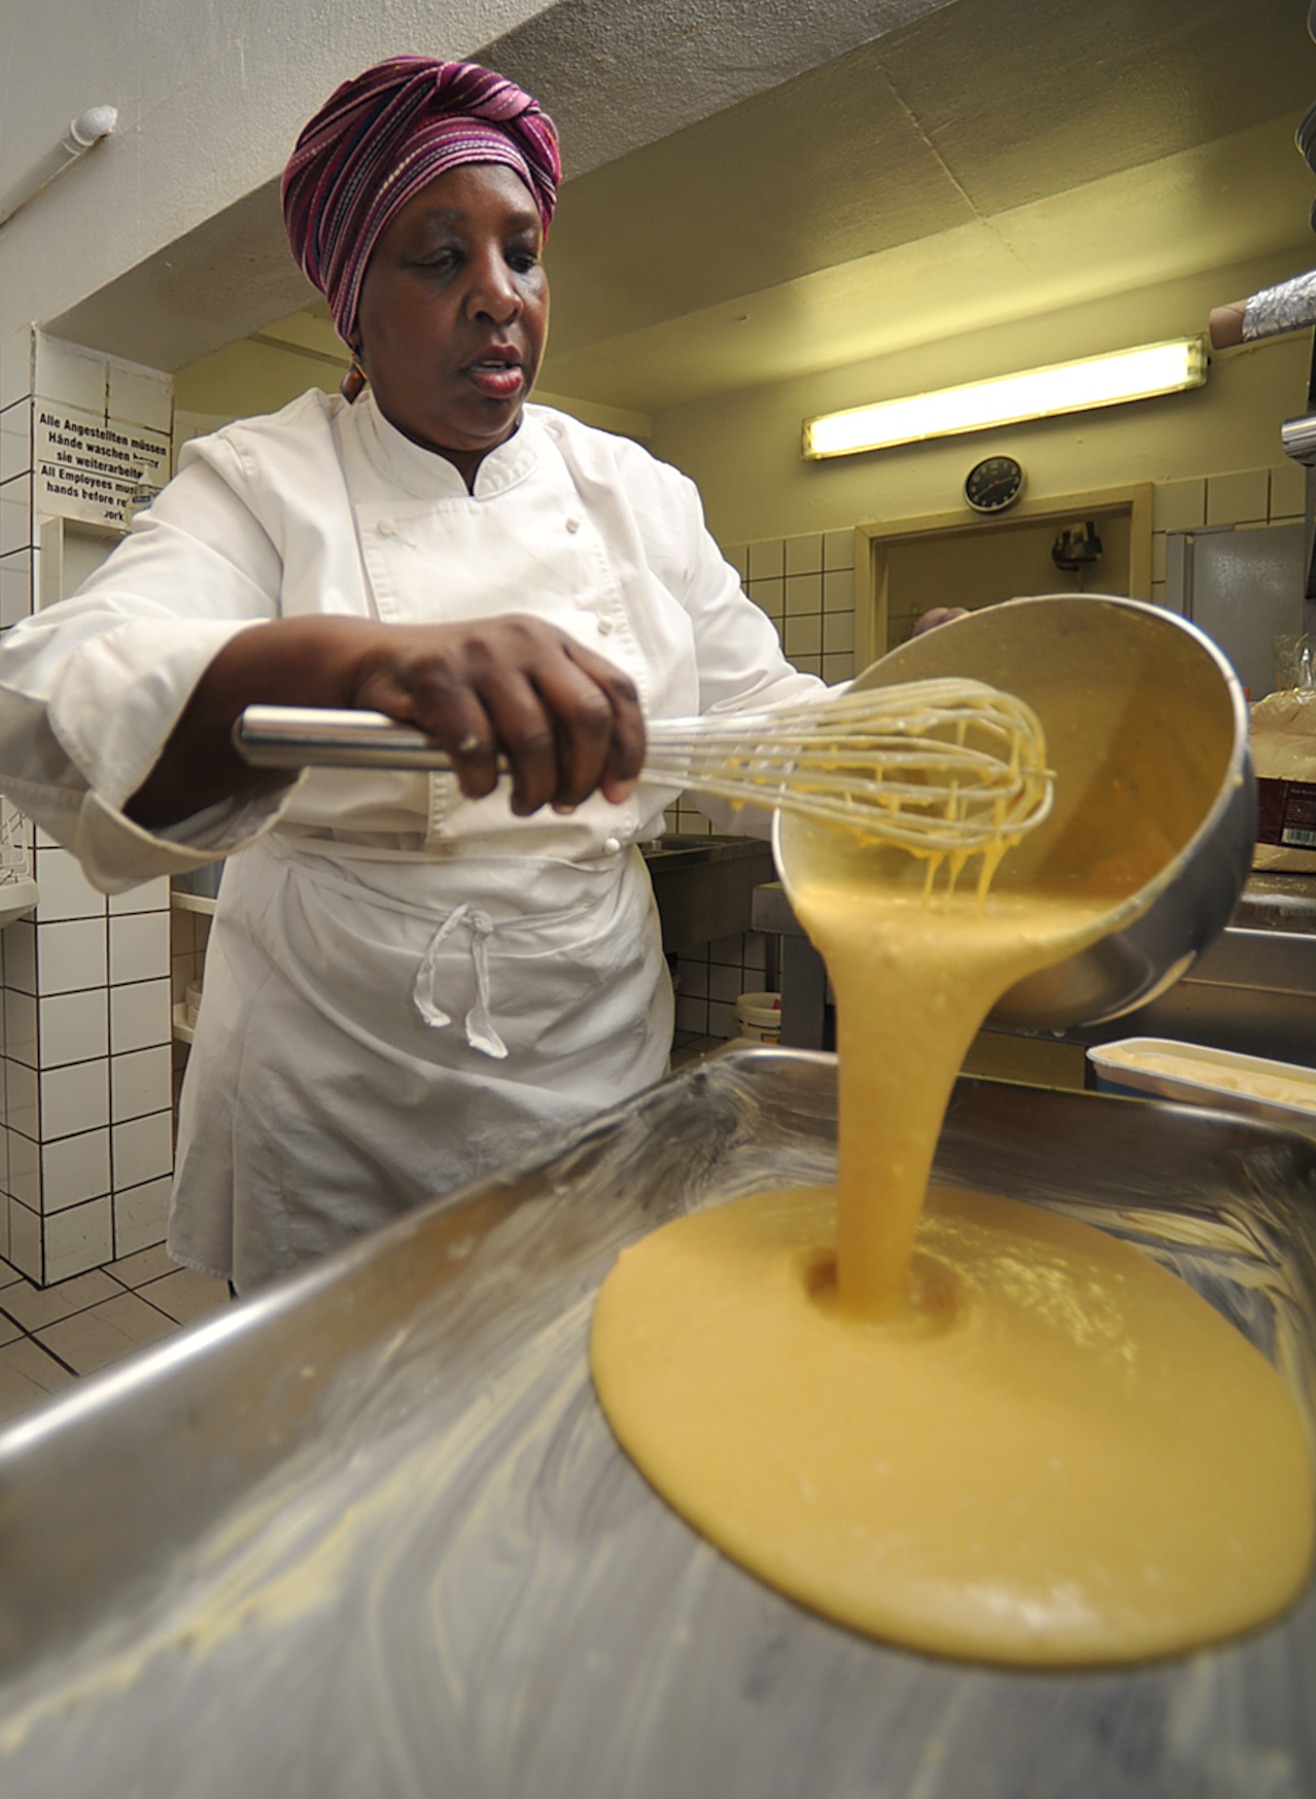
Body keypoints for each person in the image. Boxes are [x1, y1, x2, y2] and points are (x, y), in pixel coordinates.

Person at [0, 56, 833, 1294]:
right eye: (438, 259)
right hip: (333, 1097)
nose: (498, 297)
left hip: (591, 1066)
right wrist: (366, 661)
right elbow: (51, 695)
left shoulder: (637, 494)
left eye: (522, 253)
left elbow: (772, 727)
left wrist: (928, 715)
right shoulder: (262, 481)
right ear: (354, 304)